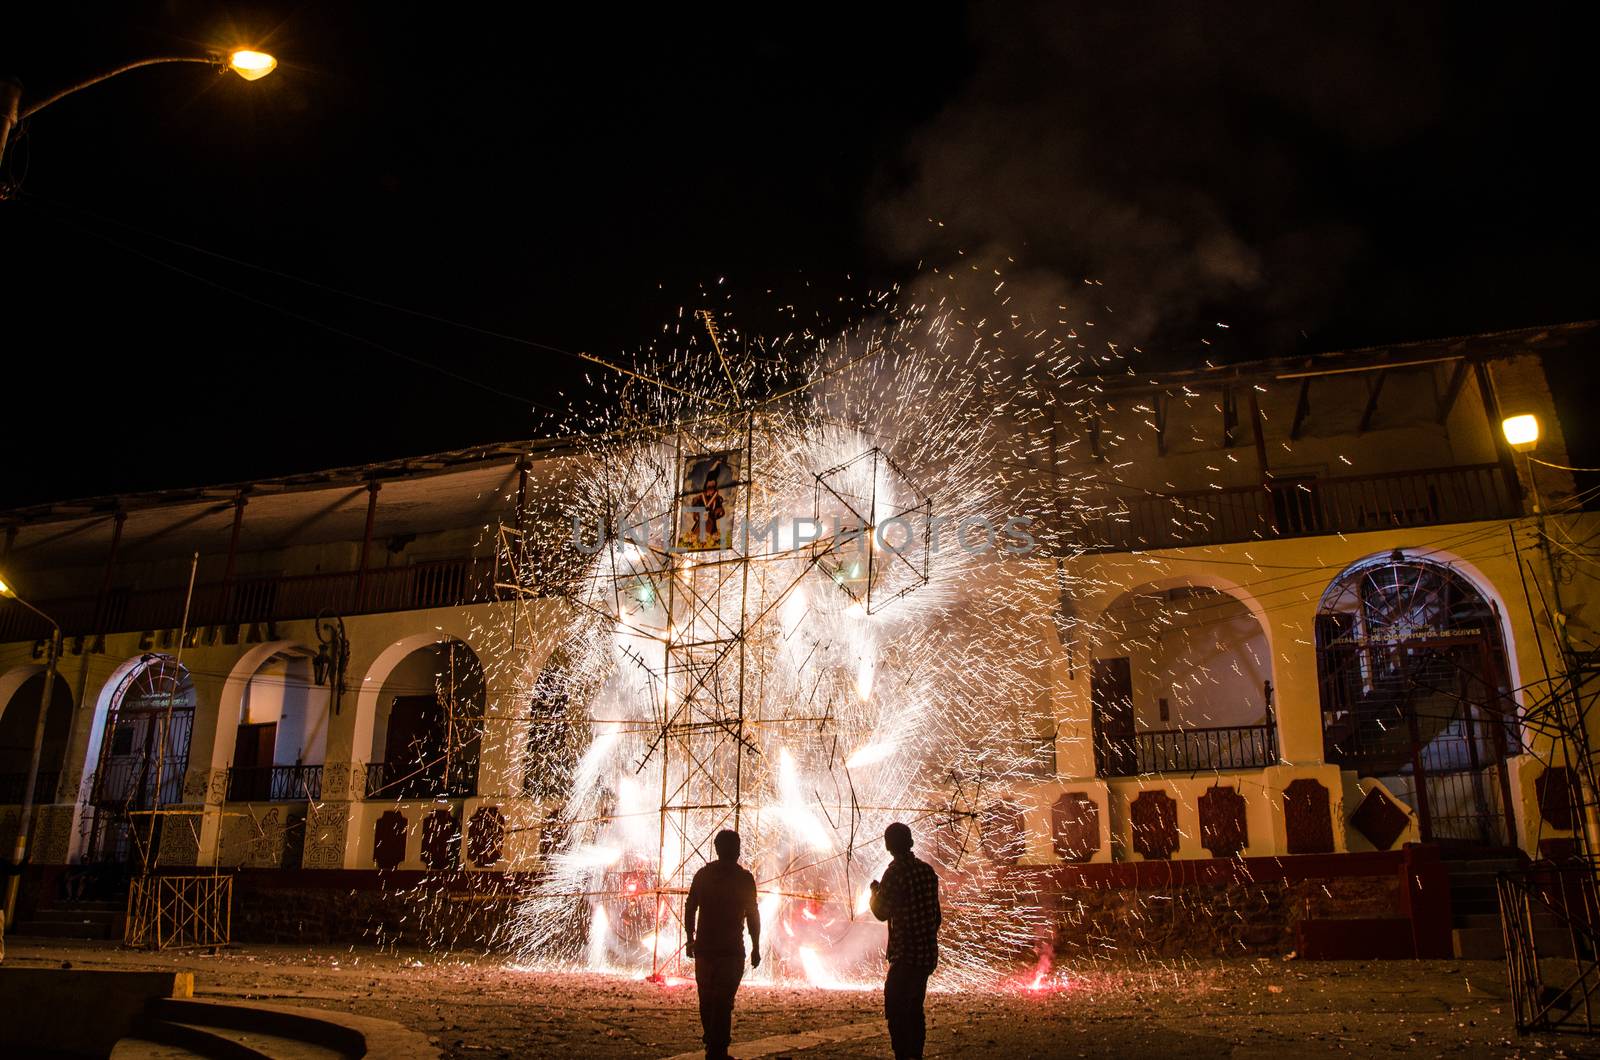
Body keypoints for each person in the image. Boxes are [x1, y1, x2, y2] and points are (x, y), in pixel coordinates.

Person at [684, 829, 761, 1060]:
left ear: (717, 850)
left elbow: (690, 907)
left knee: (706, 999)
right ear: (737, 850)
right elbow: (752, 915)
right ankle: (718, 1050)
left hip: (705, 950)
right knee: (723, 1001)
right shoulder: (744, 878)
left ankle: (712, 1047)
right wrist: (756, 946)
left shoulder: (703, 875)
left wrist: (690, 938)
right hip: (730, 951)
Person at [870, 822, 942, 1060]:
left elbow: (881, 912)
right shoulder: (927, 871)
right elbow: (936, 917)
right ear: (910, 842)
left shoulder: (895, 873)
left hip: (906, 956)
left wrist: (874, 893)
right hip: (926, 955)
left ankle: (903, 1054)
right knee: (914, 1007)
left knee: (895, 1006)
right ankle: (916, 1054)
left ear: (889, 845)